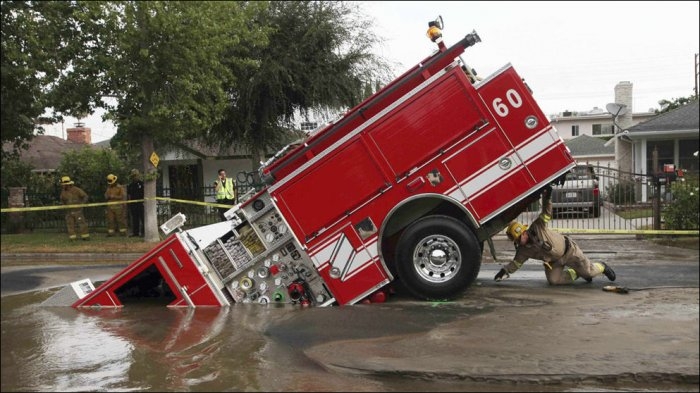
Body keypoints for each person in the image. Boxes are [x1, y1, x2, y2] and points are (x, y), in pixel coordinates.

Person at [495, 185, 616, 285]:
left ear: (524, 232)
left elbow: (546, 213)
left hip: (569, 252)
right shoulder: (522, 251)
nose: (519, 241)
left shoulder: (537, 227)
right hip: (554, 263)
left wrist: (547, 198)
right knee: (554, 281)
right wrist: (504, 271)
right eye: (516, 240)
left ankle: (602, 266)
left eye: (519, 237)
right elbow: (516, 263)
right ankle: (578, 273)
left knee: (589, 273)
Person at [59, 176, 90, 241]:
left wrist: (82, 204)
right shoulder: (63, 192)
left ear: (67, 185)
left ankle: (85, 236)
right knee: (70, 225)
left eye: (63, 185)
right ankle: (73, 238)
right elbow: (62, 200)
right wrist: (63, 205)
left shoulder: (77, 190)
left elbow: (85, 196)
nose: (62, 186)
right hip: (69, 211)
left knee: (82, 224)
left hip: (78, 211)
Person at [127, 168, 145, 237]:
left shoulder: (141, 184)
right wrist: (129, 203)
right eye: (133, 176)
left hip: (141, 204)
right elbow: (129, 195)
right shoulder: (130, 185)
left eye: (136, 175)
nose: (135, 177)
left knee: (142, 218)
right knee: (135, 219)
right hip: (133, 205)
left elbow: (144, 193)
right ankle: (135, 233)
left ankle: (143, 233)